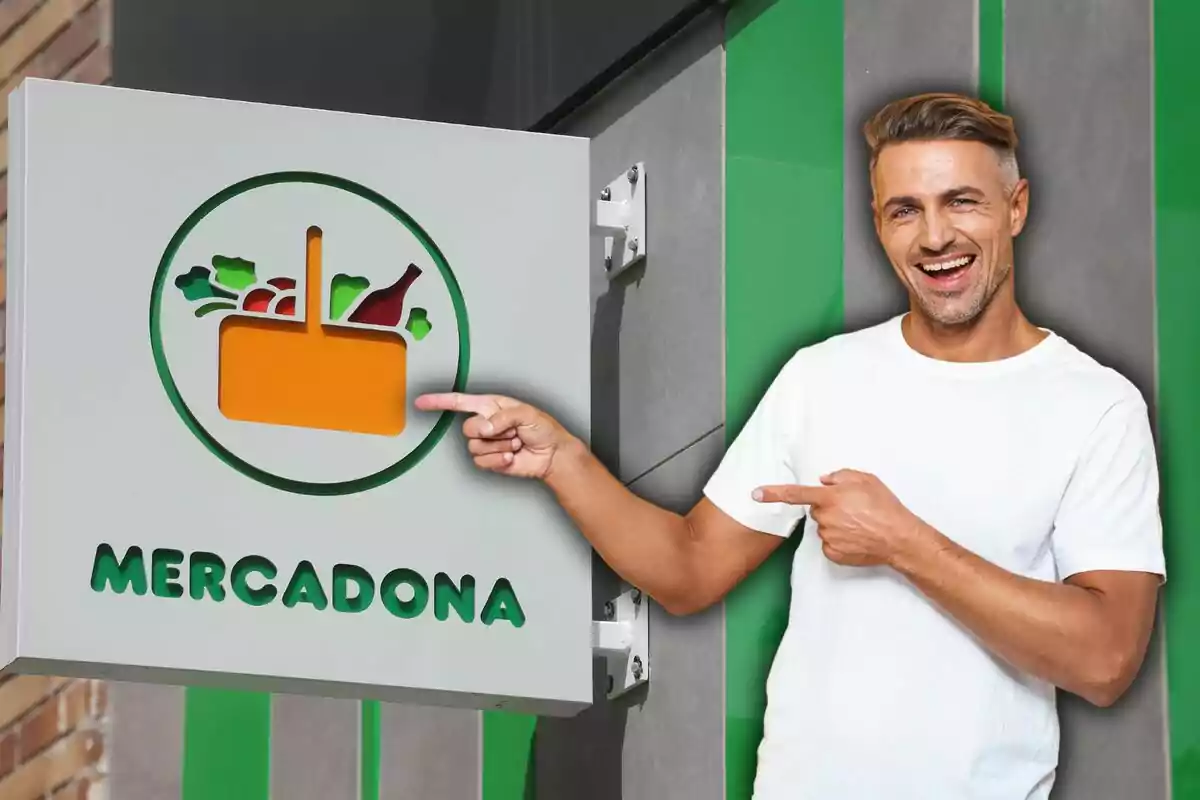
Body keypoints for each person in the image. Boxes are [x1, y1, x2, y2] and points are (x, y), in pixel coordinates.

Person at [416, 92, 1165, 799]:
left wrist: (903, 542)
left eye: (960, 201)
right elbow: (687, 569)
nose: (935, 237)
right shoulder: (823, 378)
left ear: (1016, 207)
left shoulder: (1093, 407)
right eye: (905, 210)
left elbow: (1104, 659)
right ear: (879, 224)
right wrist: (563, 462)